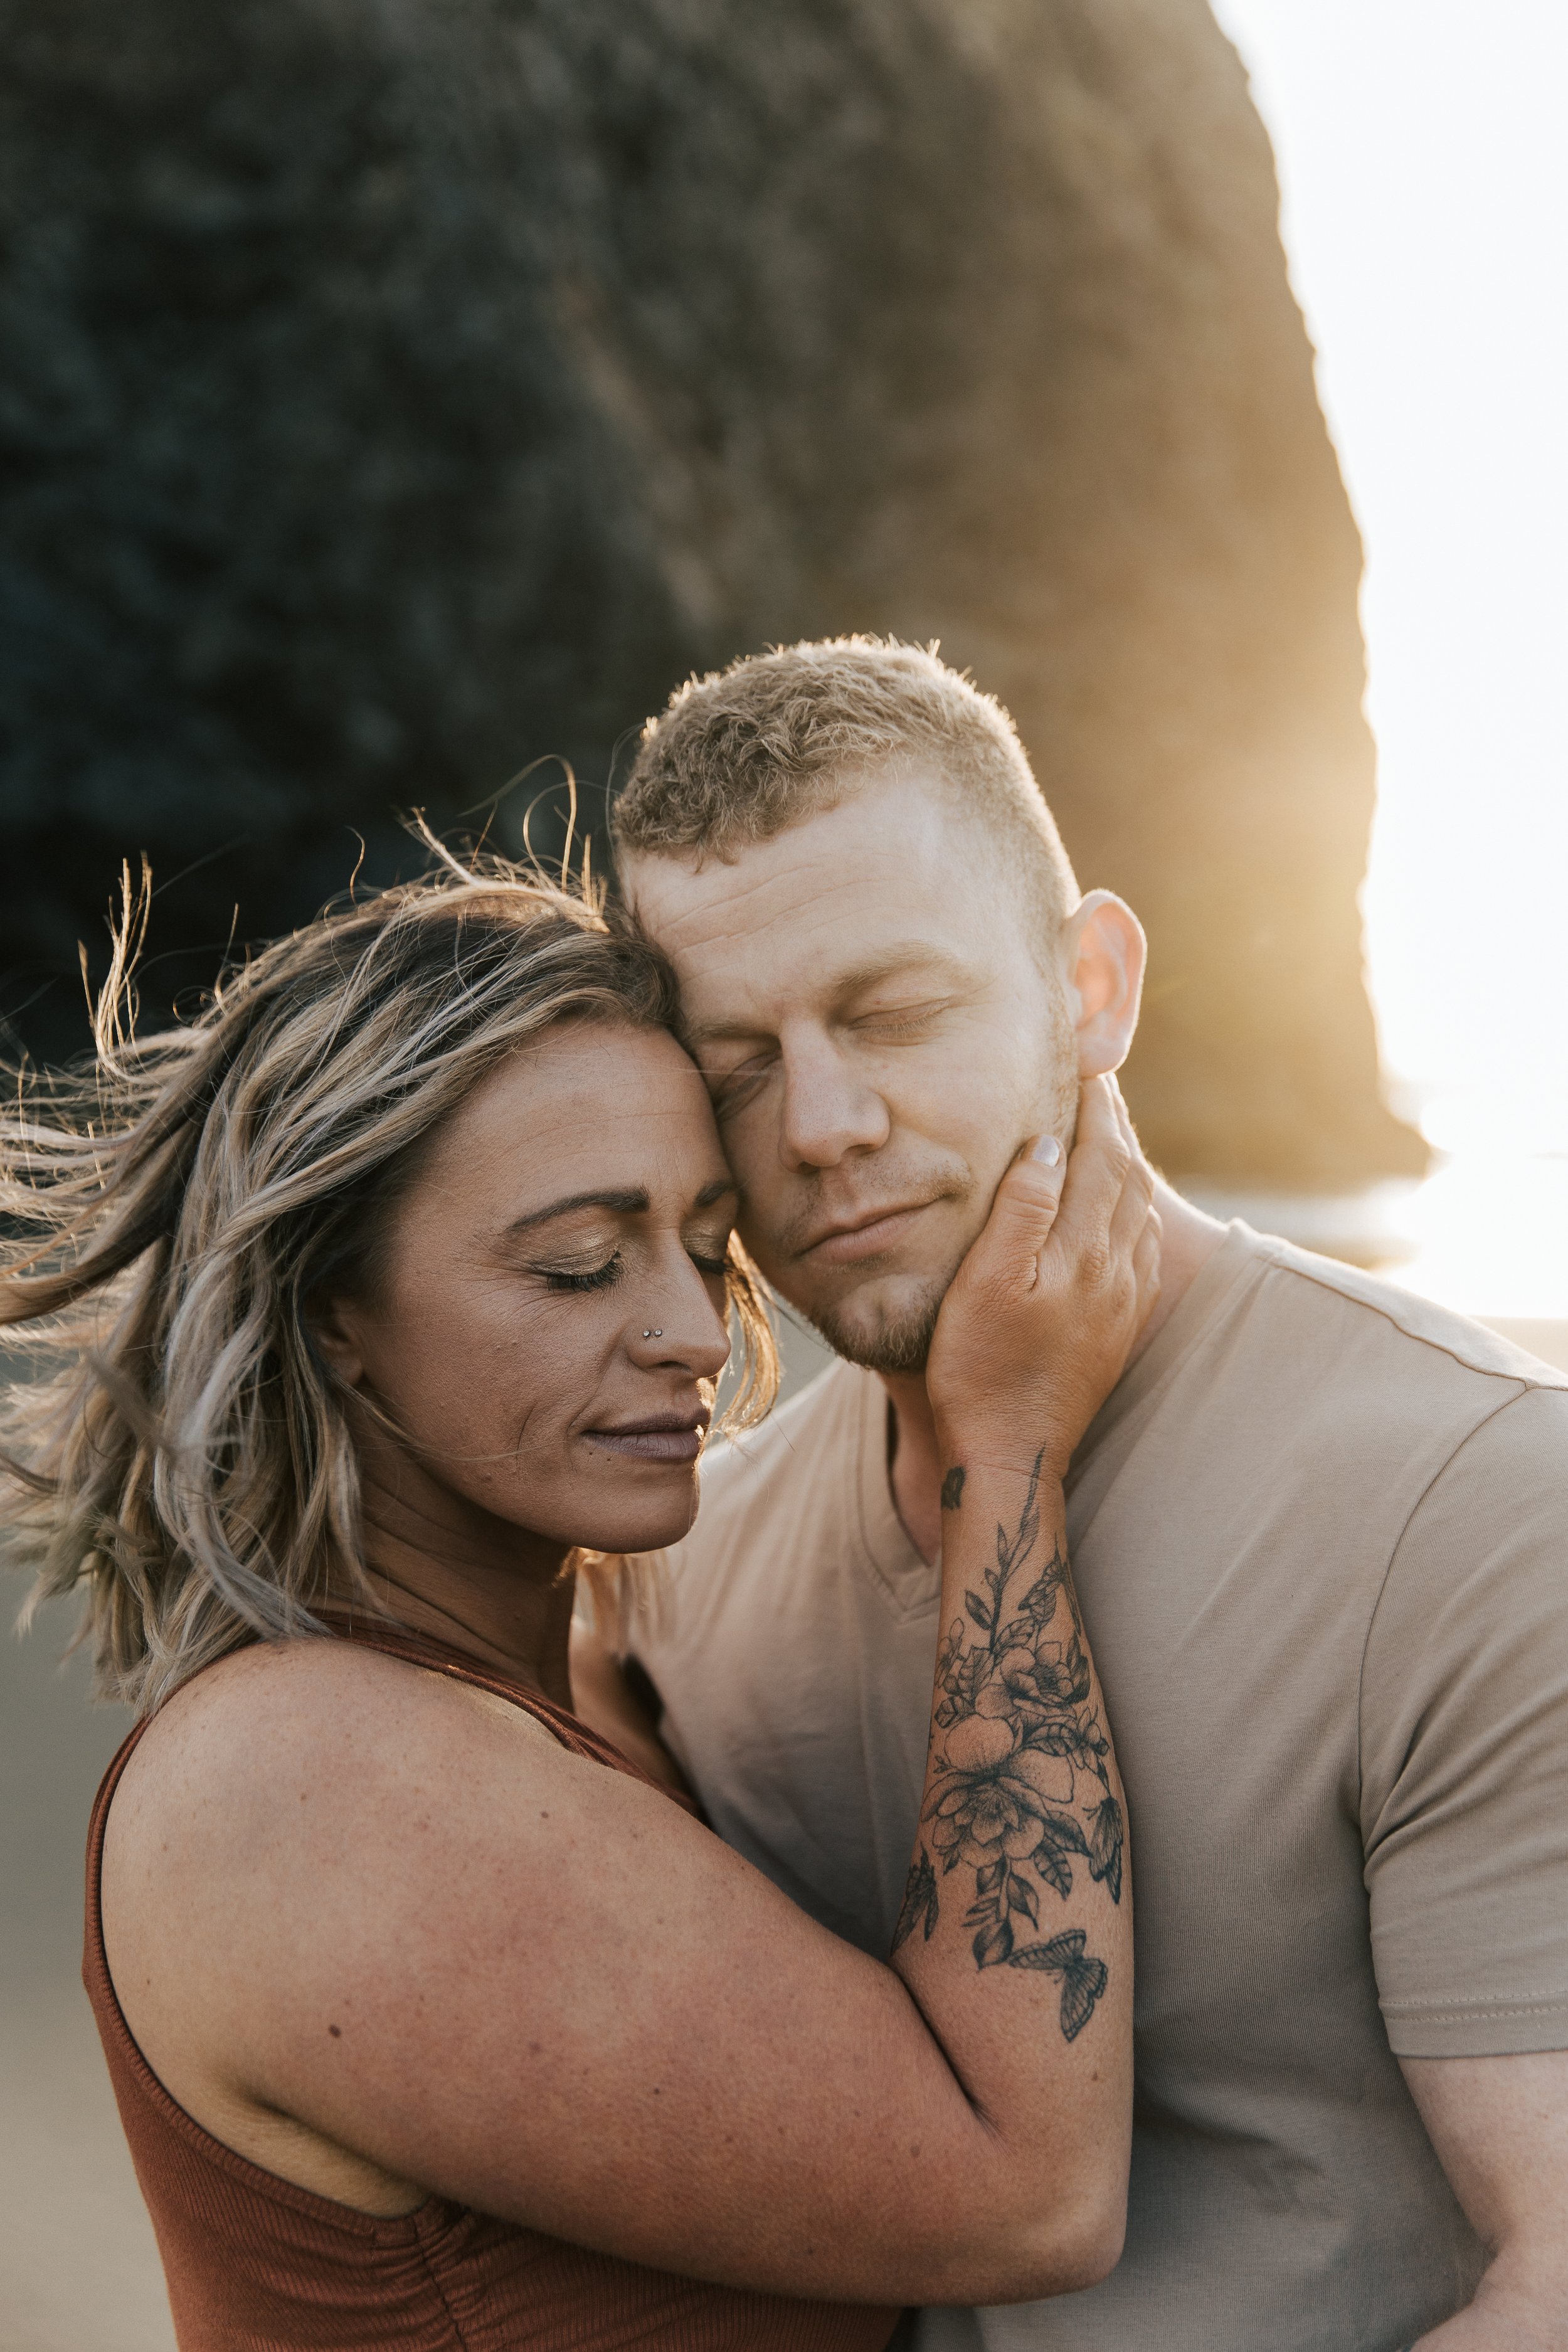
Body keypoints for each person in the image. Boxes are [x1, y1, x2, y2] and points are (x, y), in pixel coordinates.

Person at [0, 854, 1158, 2351]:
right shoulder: (309, 1786)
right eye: (576, 1267)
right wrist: (1006, 1449)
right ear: (333, 1315)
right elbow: (1029, 2199)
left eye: (699, 1243)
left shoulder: (591, 1679)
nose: (686, 1329)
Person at [583, 637, 1568, 2352]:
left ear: (1090, 985)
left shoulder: (1477, 1500)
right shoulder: (689, 1568)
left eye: (888, 1011)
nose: (821, 1122)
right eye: (737, 1062)